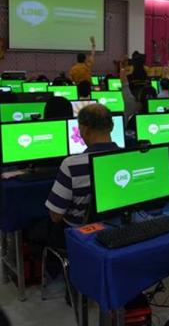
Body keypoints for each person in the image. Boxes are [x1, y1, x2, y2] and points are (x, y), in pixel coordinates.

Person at [33, 104, 119, 248]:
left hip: (78, 236)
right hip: (114, 228)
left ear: (84, 129)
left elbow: (56, 216)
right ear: (111, 127)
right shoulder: (127, 157)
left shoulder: (71, 165)